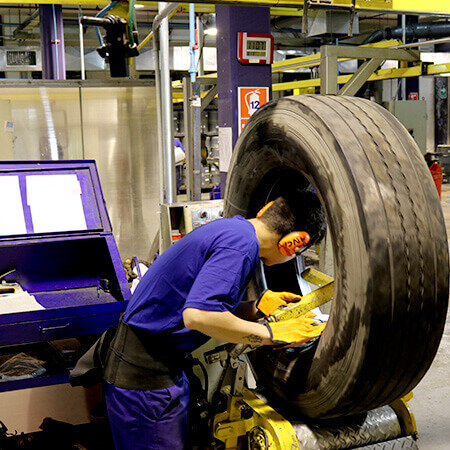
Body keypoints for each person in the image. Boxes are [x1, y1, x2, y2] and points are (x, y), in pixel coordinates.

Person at [102, 191, 327, 450]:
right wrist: (272, 333)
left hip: (157, 370)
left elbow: (202, 304)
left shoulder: (234, 230)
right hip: (144, 383)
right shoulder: (241, 248)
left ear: (266, 209)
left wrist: (255, 308)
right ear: (294, 242)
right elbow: (198, 316)